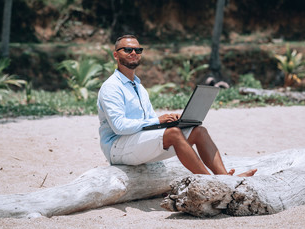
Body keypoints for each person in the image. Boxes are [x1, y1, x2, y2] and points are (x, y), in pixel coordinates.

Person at [97, 34, 257, 177]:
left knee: (198, 131)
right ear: (116, 55)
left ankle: (224, 179)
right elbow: (119, 127)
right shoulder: (111, 87)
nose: (134, 53)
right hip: (117, 148)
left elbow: (150, 122)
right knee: (173, 133)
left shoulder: (138, 86)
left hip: (138, 143)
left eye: (138, 50)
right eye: (128, 50)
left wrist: (170, 121)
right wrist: (159, 121)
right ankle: (212, 183)